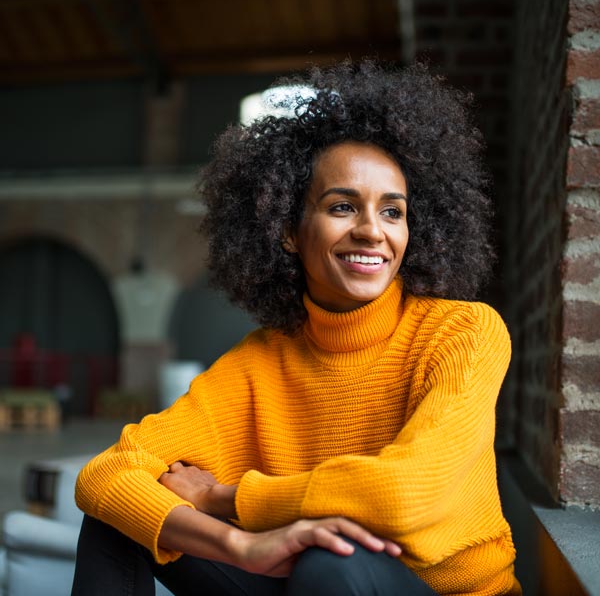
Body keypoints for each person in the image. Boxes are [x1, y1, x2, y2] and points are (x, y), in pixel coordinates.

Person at [72, 60, 521, 595]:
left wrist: (225, 500)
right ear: (287, 230)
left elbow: (405, 497)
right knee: (121, 516)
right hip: (304, 580)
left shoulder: (463, 332)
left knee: (331, 560)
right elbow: (106, 473)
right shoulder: (260, 362)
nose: (371, 231)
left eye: (393, 212)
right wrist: (242, 546)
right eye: (342, 206)